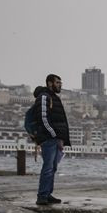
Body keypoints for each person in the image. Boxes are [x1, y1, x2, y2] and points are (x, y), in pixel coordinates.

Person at [34, 74, 71, 205]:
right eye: (57, 82)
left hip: (55, 139)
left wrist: (61, 139)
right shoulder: (44, 97)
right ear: (50, 83)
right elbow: (43, 118)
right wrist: (54, 135)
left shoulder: (54, 98)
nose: (60, 85)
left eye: (60, 82)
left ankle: (47, 193)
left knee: (53, 168)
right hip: (49, 139)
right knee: (48, 167)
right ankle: (42, 196)